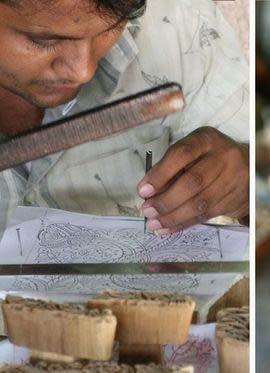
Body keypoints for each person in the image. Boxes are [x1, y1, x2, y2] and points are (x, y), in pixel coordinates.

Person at [0, 0, 249, 237]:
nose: (83, 71)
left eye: (111, 26)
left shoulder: (181, 23)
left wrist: (241, 185)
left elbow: (264, 184)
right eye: (44, 40)